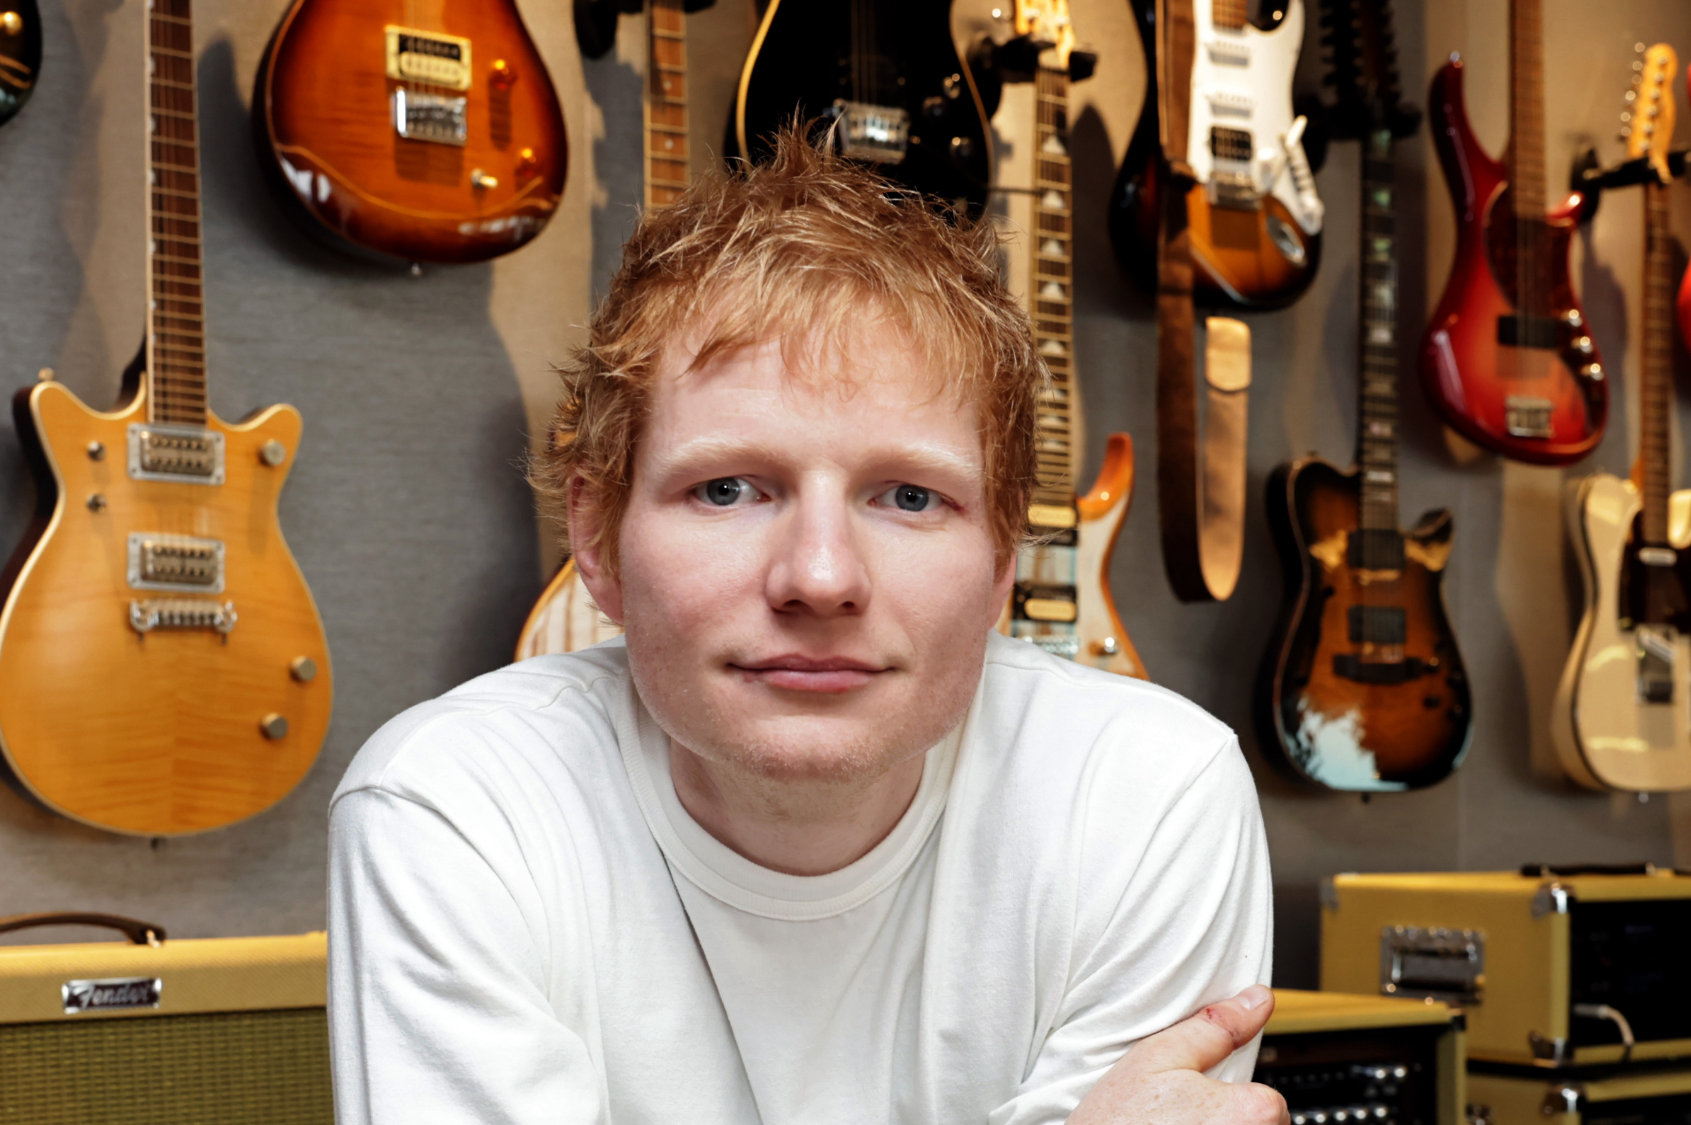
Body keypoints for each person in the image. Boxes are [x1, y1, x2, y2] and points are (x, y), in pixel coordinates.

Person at [327, 130, 1284, 1125]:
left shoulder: (1144, 797)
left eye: (908, 497)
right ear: (597, 540)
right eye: (728, 489)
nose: (821, 578)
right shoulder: (454, 808)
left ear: (1003, 556)